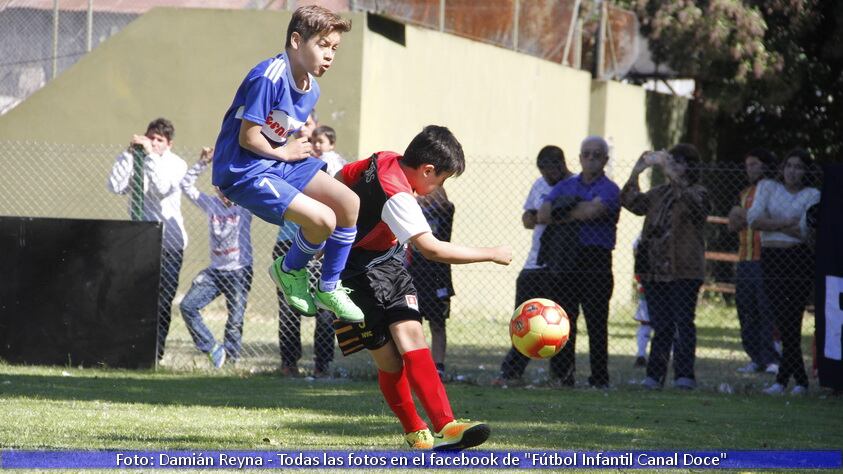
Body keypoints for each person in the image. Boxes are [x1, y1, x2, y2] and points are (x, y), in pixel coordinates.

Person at [333, 125, 512, 450]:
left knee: (412, 336)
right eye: (440, 180)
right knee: (390, 362)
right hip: (353, 276)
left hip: (388, 266)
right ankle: (415, 430)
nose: (437, 187)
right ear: (427, 169)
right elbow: (432, 249)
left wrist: (335, 219)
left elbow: (342, 178)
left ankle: (446, 426)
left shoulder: (383, 158)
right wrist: (491, 254)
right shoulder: (399, 196)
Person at [211, 5, 363, 322]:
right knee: (323, 221)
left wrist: (285, 152)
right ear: (296, 40)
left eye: (335, 48)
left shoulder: (313, 89)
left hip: (275, 161)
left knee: (349, 203)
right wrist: (285, 152)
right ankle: (289, 268)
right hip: (245, 171)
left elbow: (278, 134)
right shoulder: (269, 77)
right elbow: (248, 137)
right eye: (323, 45)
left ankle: (329, 287)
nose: (330, 55)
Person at [621, 144, 710, 391]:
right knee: (661, 325)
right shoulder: (659, 193)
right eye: (672, 161)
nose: (672, 167)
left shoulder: (698, 192)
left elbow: (697, 207)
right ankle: (654, 376)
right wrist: (636, 172)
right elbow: (631, 203)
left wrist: (669, 170)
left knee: (683, 323)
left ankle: (684, 376)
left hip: (684, 270)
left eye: (678, 162)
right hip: (654, 270)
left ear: (690, 167)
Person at [536, 136, 620, 389]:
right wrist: (578, 209)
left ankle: (599, 379)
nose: (591, 158)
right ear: (580, 157)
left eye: (597, 154)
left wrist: (564, 210)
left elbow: (595, 212)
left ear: (605, 159)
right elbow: (542, 214)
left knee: (596, 323)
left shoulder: (610, 189)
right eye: (587, 154)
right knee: (563, 322)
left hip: (596, 260)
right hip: (566, 260)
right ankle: (563, 377)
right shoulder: (567, 185)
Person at [107, 117, 187, 361]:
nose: (153, 143)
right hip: (140, 242)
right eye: (150, 137)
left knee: (163, 302)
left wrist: (150, 156)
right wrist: (127, 155)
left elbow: (162, 187)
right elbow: (115, 186)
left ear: (169, 144)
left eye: (159, 140)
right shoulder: (137, 158)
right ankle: (132, 351)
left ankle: (155, 354)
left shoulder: (177, 164)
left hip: (169, 244)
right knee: (136, 297)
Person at [494, 146, 571, 386]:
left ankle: (561, 375)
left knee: (558, 321)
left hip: (559, 264)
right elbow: (528, 220)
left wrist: (549, 215)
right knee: (524, 320)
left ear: (560, 164)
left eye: (549, 170)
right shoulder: (539, 185)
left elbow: (569, 215)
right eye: (542, 171)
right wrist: (546, 215)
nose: (546, 176)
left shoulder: (573, 185)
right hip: (533, 264)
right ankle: (512, 372)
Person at [275, 121, 346, 377]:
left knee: (325, 305)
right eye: (299, 125)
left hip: (320, 242)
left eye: (308, 125)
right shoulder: (285, 155)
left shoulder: (329, 162)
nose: (304, 130)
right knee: (289, 307)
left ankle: (322, 365)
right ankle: (289, 363)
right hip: (288, 241)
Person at [747, 148, 820, 395]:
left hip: (799, 258)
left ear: (805, 171)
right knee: (782, 318)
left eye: (798, 167)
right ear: (782, 168)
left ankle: (785, 381)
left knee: (793, 319)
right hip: (772, 257)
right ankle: (797, 381)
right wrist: (788, 223)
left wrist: (773, 223)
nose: (792, 171)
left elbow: (805, 231)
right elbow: (754, 220)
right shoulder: (768, 187)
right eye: (789, 165)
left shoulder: (813, 194)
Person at [179, 147, 253, 368]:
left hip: (239, 269)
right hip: (216, 270)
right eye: (220, 188)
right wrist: (202, 163)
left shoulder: (244, 206)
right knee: (188, 306)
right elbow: (185, 185)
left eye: (228, 188)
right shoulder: (211, 204)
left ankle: (230, 364)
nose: (224, 193)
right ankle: (212, 347)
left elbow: (253, 182)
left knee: (235, 321)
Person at [727, 148, 779, 375]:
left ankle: (770, 358)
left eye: (754, 164)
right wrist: (741, 216)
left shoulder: (774, 190)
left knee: (765, 308)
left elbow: (754, 218)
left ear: (766, 166)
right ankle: (755, 357)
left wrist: (743, 216)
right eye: (747, 165)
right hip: (745, 258)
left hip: (764, 258)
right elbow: (733, 223)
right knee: (745, 308)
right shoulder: (745, 192)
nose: (750, 169)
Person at [406, 187, 456, 381]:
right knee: (412, 323)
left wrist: (431, 196)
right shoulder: (411, 213)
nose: (425, 197)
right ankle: (417, 367)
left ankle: (438, 368)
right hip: (414, 276)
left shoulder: (444, 212)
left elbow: (446, 205)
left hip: (438, 277)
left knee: (437, 323)